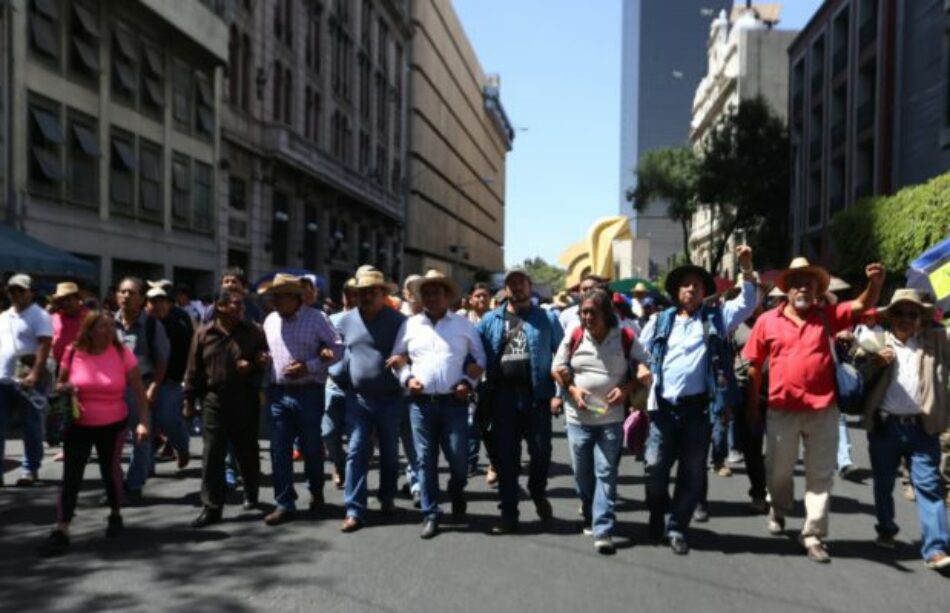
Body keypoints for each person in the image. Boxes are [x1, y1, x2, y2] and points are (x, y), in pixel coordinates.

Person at [743, 257, 884, 563]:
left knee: (820, 476)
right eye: (797, 283)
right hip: (781, 410)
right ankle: (778, 509)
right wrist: (753, 406)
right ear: (788, 291)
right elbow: (753, 364)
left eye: (809, 283)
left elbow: (861, 306)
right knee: (778, 471)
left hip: (823, 411)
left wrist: (875, 283)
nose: (803, 288)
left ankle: (814, 534)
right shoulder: (767, 321)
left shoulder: (828, 316)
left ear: (818, 290)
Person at [638, 246, 757, 555]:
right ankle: (656, 513)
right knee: (654, 469)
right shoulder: (661, 321)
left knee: (692, 473)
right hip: (663, 409)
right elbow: (639, 351)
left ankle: (677, 527)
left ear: (705, 292)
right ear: (677, 291)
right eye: (685, 284)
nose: (690, 288)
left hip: (698, 410)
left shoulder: (717, 317)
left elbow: (747, 302)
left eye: (696, 285)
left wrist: (746, 268)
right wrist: (642, 367)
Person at [39, 312, 150, 555]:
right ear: (90, 330)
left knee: (110, 473)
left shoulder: (122, 353)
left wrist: (143, 422)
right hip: (78, 424)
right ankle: (62, 528)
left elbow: (140, 392)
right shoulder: (72, 351)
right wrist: (66, 388)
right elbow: (60, 384)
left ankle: (115, 514)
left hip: (113, 424)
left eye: (112, 327)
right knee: (71, 476)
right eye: (103, 327)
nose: (110, 332)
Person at [856, 289, 950, 570]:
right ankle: (886, 528)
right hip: (886, 427)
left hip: (923, 428)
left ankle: (935, 548)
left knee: (929, 487)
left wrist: (936, 319)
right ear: (891, 317)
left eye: (913, 314)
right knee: (884, 484)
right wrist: (874, 362)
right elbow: (858, 378)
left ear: (921, 318)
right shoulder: (876, 342)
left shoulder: (935, 342)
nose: (906, 319)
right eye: (900, 313)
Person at [552, 289, 651, 553]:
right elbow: (556, 368)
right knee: (583, 474)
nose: (587, 317)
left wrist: (628, 388)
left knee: (606, 472)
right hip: (577, 419)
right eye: (583, 312)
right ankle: (588, 509)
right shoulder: (574, 334)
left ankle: (603, 528)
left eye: (592, 312)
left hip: (611, 419)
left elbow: (645, 364)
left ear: (606, 314)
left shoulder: (626, 336)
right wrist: (572, 390)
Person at [390, 269, 486, 539]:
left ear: (447, 297)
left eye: (437, 293)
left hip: (454, 404)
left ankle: (457, 491)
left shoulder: (463, 325)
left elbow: (480, 360)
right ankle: (431, 513)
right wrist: (407, 378)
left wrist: (468, 382)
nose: (431, 297)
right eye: (427, 293)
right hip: (420, 405)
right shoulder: (410, 325)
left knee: (458, 459)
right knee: (425, 461)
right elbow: (396, 357)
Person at [477, 267, 564, 535]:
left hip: (536, 398)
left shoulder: (547, 319)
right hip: (502, 398)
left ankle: (537, 492)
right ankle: (509, 513)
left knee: (540, 454)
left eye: (521, 282)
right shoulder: (490, 320)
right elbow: (473, 355)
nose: (516, 287)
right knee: (506, 459)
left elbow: (563, 359)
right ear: (505, 289)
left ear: (530, 286)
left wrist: (558, 395)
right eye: (511, 283)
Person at [260, 274, 343, 526]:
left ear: (295, 297)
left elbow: (338, 349)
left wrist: (310, 366)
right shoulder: (270, 321)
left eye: (280, 296)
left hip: (309, 392)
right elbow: (267, 350)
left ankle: (316, 491)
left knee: (310, 448)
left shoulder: (317, 318)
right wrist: (262, 359)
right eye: (273, 296)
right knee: (279, 450)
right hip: (278, 393)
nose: (274, 301)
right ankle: (284, 502)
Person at [185, 290, 269, 527]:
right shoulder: (203, 334)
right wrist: (189, 401)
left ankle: (251, 492)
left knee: (247, 451)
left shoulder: (253, 331)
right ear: (219, 306)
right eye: (235, 304)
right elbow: (193, 370)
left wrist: (253, 364)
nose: (241, 308)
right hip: (214, 400)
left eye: (242, 304)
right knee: (212, 454)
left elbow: (264, 360)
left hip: (245, 399)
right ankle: (212, 507)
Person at [337, 268, 406, 532]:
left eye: (371, 292)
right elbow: (336, 351)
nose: (365, 297)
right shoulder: (345, 320)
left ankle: (386, 496)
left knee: (389, 452)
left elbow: (411, 351)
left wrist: (404, 359)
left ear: (383, 294)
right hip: (359, 399)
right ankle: (354, 509)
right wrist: (338, 374)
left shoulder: (398, 320)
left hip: (390, 398)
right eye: (361, 292)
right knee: (356, 451)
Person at [114, 277, 169, 500]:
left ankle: (134, 484)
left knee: (141, 437)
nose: (126, 296)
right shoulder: (108, 323)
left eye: (132, 292)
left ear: (141, 299)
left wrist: (154, 387)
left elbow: (162, 360)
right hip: (113, 391)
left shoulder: (152, 326)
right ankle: (114, 485)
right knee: (112, 441)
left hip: (140, 388)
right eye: (123, 291)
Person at [0, 274, 53, 486]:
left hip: (28, 381)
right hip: (3, 379)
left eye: (21, 290)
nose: (16, 294)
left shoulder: (39, 315)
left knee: (31, 426)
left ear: (31, 292)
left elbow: (44, 344)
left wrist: (35, 374)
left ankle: (30, 469)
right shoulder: (3, 316)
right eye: (12, 290)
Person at [145, 285, 194, 470]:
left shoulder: (180, 321)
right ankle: (144, 470)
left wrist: (188, 378)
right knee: (144, 426)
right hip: (143, 382)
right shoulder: (143, 323)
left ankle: (182, 448)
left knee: (168, 420)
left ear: (168, 303)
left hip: (171, 381)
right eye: (152, 301)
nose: (157, 305)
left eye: (161, 301)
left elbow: (191, 350)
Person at [461, 283, 498, 483]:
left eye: (485, 296)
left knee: (490, 425)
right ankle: (470, 462)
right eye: (478, 296)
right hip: (469, 379)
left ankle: (494, 463)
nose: (482, 299)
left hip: (491, 380)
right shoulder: (462, 320)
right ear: (470, 299)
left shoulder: (496, 319)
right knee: (469, 423)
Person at [324, 277, 359, 489]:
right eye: (349, 293)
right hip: (334, 384)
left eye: (357, 293)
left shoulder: (367, 320)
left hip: (359, 388)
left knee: (359, 437)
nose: (353, 297)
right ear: (343, 296)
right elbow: (320, 345)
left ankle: (354, 476)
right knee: (328, 432)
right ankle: (339, 463)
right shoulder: (331, 319)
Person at [50, 282, 89, 365]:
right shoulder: (53, 318)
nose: (65, 303)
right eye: (61, 300)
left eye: (68, 299)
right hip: (57, 367)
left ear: (78, 299)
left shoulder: (89, 317)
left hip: (82, 366)